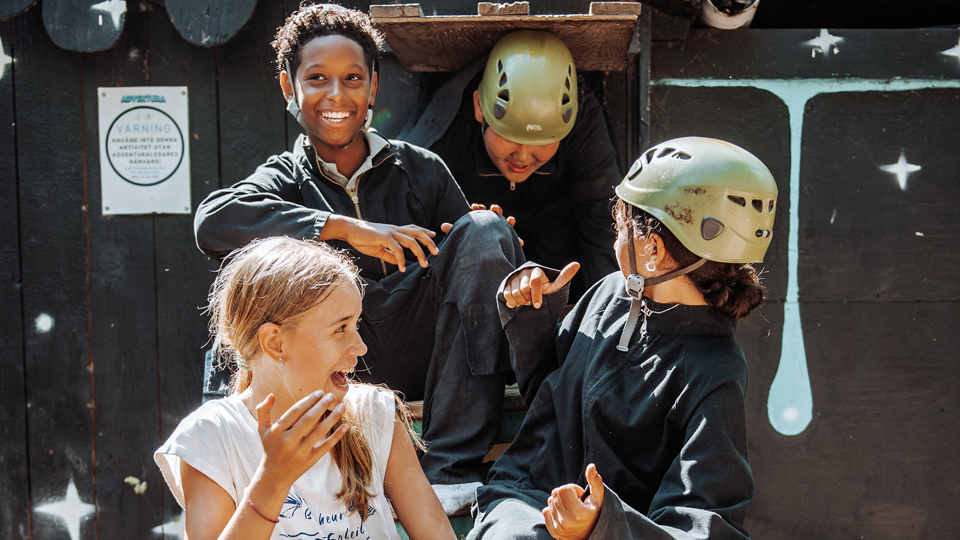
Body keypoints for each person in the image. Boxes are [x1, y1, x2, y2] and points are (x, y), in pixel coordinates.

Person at [192, 4, 524, 514]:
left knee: (484, 231)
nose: (336, 95)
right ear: (289, 88)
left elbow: (472, 268)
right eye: (317, 78)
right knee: (250, 288)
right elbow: (213, 221)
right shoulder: (282, 179)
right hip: (332, 366)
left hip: (419, 354)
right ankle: (244, 448)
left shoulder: (422, 170)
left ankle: (451, 467)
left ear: (373, 88)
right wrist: (347, 229)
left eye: (352, 78)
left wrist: (497, 244)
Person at [467, 137, 779, 539]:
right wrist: (533, 311)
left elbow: (703, 525)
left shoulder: (714, 370)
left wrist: (601, 523)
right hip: (525, 496)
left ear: (651, 248)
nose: (616, 238)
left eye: (620, 227)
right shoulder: (610, 292)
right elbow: (546, 388)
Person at [155, 236, 455, 539]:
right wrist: (273, 479)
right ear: (275, 343)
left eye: (356, 325)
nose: (360, 347)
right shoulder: (211, 436)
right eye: (340, 328)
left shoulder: (373, 413)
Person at [401, 30, 620, 302]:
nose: (524, 157)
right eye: (510, 137)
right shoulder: (440, 135)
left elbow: (603, 222)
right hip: (476, 248)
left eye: (542, 141)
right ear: (479, 109)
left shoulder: (581, 121)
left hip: (558, 235)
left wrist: (611, 315)